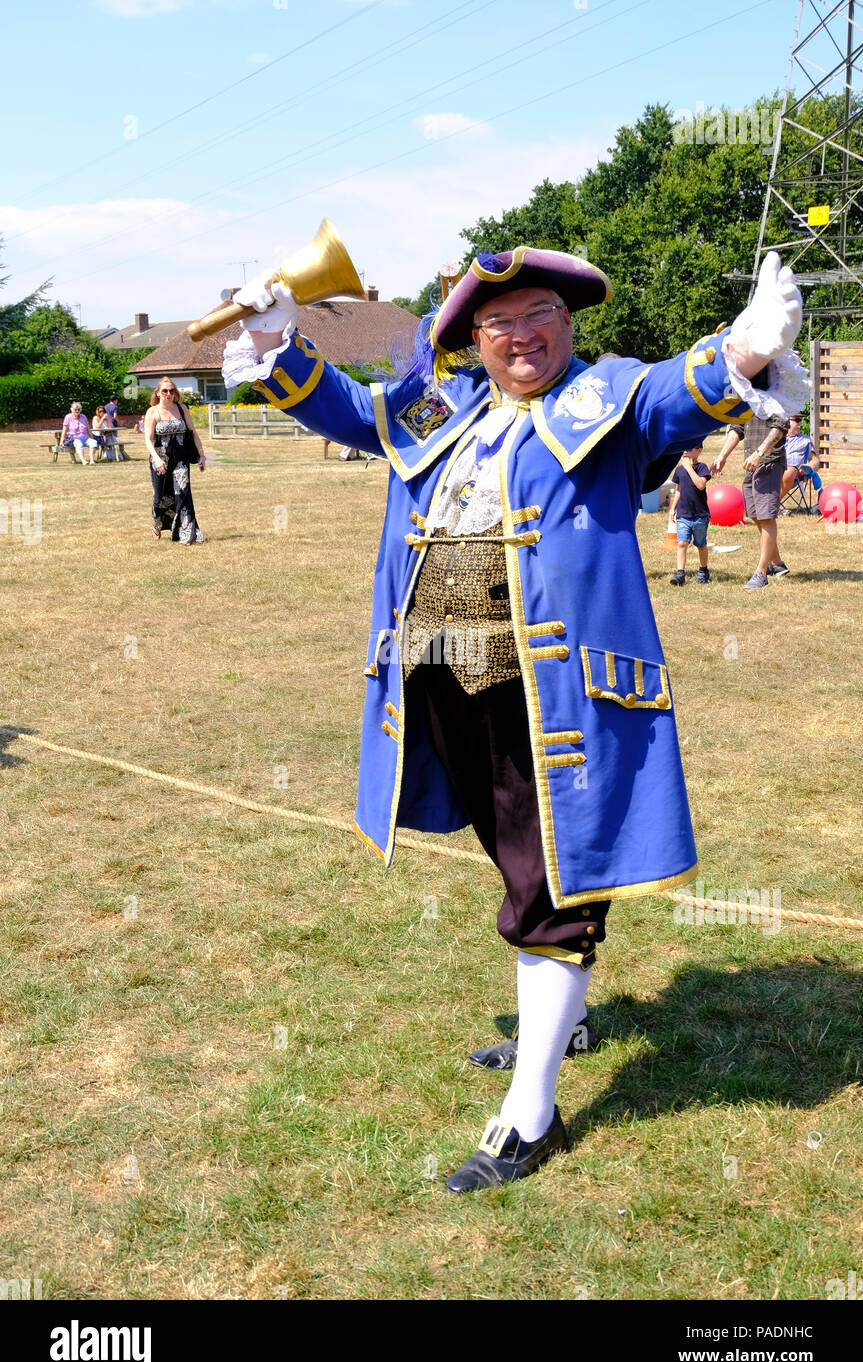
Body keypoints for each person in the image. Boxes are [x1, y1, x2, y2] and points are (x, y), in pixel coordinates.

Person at [222, 246, 805, 1192]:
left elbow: (672, 399)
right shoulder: (445, 407)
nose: (520, 333)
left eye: (539, 311)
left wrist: (739, 354)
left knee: (551, 875)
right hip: (445, 674)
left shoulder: (607, 398)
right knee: (511, 847)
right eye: (498, 322)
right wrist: (273, 340)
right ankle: (563, 1017)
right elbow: (346, 409)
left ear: (567, 322)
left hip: (555, 687)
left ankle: (530, 1113)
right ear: (471, 338)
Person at [712, 411, 790, 584]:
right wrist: (722, 456)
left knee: (766, 517)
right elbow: (737, 427)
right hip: (752, 463)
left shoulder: (776, 396)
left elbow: (780, 427)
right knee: (754, 514)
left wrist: (759, 453)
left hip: (769, 461)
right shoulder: (748, 397)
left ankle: (761, 573)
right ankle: (776, 563)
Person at [144, 377, 207, 543]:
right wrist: (157, 460)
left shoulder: (181, 408)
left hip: (181, 459)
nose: (169, 394)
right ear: (158, 393)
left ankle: (186, 533)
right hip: (161, 460)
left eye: (172, 390)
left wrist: (201, 453)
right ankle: (157, 525)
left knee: (183, 494)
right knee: (161, 497)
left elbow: (192, 432)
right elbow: (148, 440)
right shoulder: (153, 412)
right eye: (165, 391)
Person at [668, 445, 712, 585]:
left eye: (690, 448)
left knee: (700, 544)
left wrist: (689, 468)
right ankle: (680, 573)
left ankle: (703, 570)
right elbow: (679, 490)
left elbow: (701, 485)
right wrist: (673, 507)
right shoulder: (679, 470)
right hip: (683, 514)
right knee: (682, 543)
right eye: (684, 448)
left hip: (700, 515)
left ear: (699, 450)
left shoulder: (702, 468)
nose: (685, 451)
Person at [58, 401, 98, 466]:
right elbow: (64, 430)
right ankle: (83, 461)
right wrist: (61, 441)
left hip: (85, 437)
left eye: (78, 410)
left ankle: (92, 460)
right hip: (74, 438)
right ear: (72, 410)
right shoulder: (68, 417)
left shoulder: (83, 416)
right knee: (78, 444)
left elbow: (88, 429)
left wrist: (92, 438)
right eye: (75, 410)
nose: (77, 411)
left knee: (94, 442)